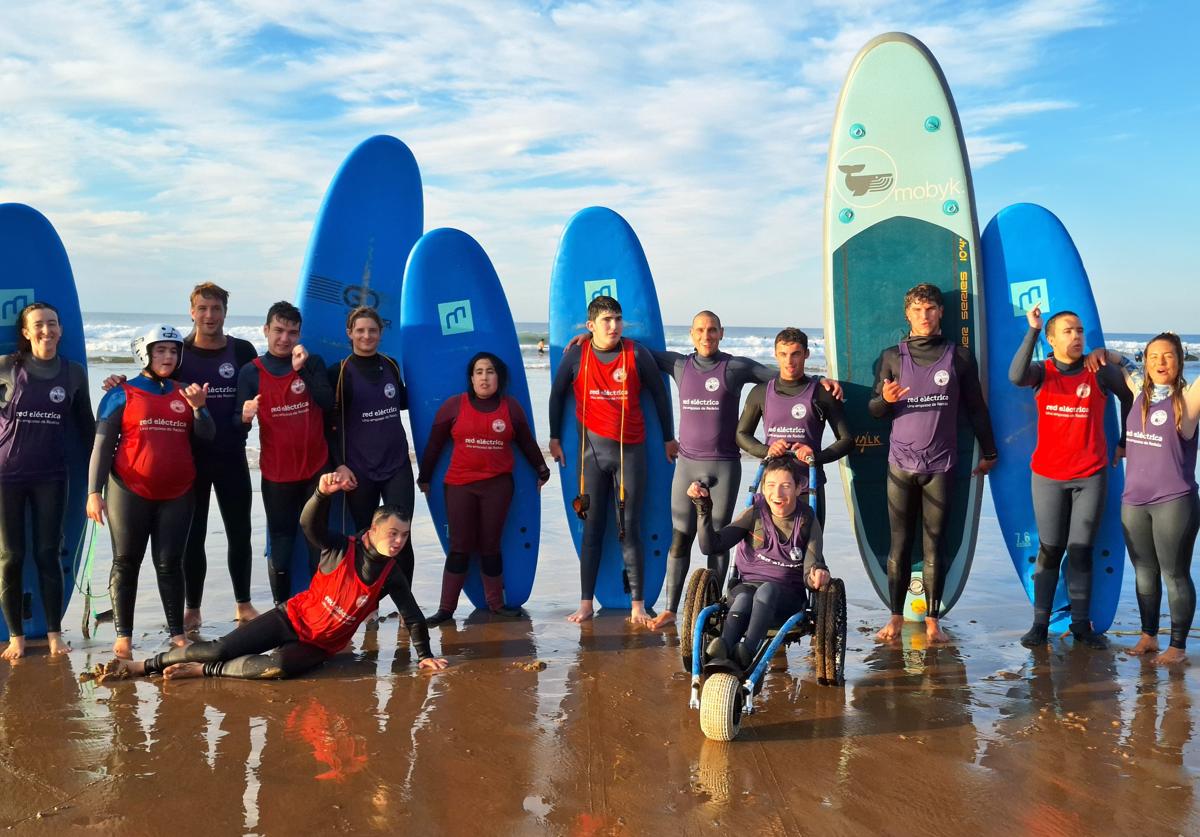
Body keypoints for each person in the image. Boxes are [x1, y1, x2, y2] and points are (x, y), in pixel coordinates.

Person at [101, 472, 448, 681]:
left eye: (404, 535)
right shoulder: (342, 546)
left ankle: (204, 672)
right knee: (217, 648)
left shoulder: (391, 574)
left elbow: (414, 617)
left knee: (275, 669)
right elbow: (308, 524)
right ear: (373, 530)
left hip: (317, 646)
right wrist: (321, 494)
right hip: (291, 619)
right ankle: (141, 666)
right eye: (393, 533)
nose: (399, 541)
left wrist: (423, 656)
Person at [102, 283, 260, 629]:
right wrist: (118, 381)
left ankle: (243, 603)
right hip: (190, 460)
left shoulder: (243, 350)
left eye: (216, 309)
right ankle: (193, 608)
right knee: (194, 537)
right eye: (202, 308)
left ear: (225, 313)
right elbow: (149, 381)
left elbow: (265, 385)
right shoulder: (179, 352)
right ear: (191, 312)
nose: (209, 315)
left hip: (233, 454)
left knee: (240, 532)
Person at [869, 283, 997, 644]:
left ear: (940, 313)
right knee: (899, 543)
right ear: (907, 315)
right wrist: (886, 400)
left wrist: (990, 452)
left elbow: (976, 408)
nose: (924, 316)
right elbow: (875, 411)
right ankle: (894, 617)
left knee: (934, 544)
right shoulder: (892, 357)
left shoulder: (960, 357)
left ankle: (932, 621)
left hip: (940, 465)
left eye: (931, 309)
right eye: (917, 310)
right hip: (900, 464)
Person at [87, 325, 214, 659]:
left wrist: (200, 408)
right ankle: (123, 636)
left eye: (173, 351)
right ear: (145, 352)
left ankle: (177, 634)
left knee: (170, 563)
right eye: (161, 350)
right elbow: (102, 445)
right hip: (129, 491)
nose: (168, 357)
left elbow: (207, 436)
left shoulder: (186, 392)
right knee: (126, 562)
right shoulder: (121, 393)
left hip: (178, 493)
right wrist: (93, 492)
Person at [1010, 303, 1132, 649]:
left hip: (1090, 475)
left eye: (1079, 331)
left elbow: (1132, 395)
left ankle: (1081, 626)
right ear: (1051, 340)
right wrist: (1032, 329)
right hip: (1048, 475)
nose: (1076, 336)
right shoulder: (1042, 371)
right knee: (1050, 549)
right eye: (1068, 331)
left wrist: (1123, 441)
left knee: (1080, 551)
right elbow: (1015, 376)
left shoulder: (1099, 372)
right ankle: (1039, 624)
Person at [548, 295, 676, 626]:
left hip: (630, 453)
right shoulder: (578, 355)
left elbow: (660, 395)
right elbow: (557, 394)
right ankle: (586, 603)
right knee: (591, 528)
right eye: (606, 320)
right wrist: (554, 438)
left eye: (618, 319)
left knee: (629, 529)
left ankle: (637, 604)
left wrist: (668, 438)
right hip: (590, 457)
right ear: (591, 326)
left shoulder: (636, 354)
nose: (614, 325)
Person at [417, 352, 551, 625]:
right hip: (459, 485)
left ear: (498, 377)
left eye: (490, 371)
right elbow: (434, 445)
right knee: (460, 547)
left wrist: (542, 469)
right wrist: (425, 478)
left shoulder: (510, 407)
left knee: (491, 545)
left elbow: (526, 442)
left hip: (498, 486)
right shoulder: (454, 406)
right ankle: (445, 610)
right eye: (479, 372)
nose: (484, 377)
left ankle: (496, 605)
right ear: (471, 378)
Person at [1091, 334, 1198, 665]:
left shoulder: (1187, 402)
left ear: (1180, 362)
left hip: (1174, 501)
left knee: (1174, 574)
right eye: (1153, 356)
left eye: (1168, 356)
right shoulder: (1138, 391)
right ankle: (1148, 637)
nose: (1160, 362)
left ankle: (1177, 647)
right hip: (1134, 501)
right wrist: (1100, 352)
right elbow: (1122, 362)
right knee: (1143, 572)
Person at [0, 303, 94, 661]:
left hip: (52, 477)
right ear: (25, 332)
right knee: (10, 556)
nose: (47, 330)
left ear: (60, 329)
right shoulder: (8, 366)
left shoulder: (72, 373)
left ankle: (54, 633)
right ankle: (16, 637)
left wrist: (99, 478)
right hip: (6, 476)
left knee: (47, 554)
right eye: (38, 325)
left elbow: (86, 429)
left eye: (52, 323)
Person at [688, 456, 829, 671]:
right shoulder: (754, 513)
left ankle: (746, 653)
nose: (778, 494)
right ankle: (723, 649)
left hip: (786, 599)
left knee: (768, 590)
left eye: (785, 486)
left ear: (799, 487)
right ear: (762, 489)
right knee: (743, 597)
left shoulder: (807, 520)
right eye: (771, 485)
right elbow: (711, 546)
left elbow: (811, 568)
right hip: (746, 589)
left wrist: (817, 574)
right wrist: (703, 508)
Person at [235, 301, 334, 606]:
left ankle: (320, 606)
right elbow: (237, 431)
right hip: (277, 474)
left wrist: (302, 370)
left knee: (316, 539)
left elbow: (328, 403)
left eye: (292, 332)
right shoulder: (251, 373)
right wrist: (245, 417)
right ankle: (282, 609)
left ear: (299, 333)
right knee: (281, 542)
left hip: (316, 470)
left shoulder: (312, 362)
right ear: (266, 330)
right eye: (278, 330)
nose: (284, 338)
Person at [327, 306, 416, 583]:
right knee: (367, 537)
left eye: (373, 330)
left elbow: (404, 401)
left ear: (381, 333)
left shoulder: (391, 365)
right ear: (349, 333)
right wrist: (340, 465)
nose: (367, 336)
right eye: (361, 330)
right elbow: (328, 427)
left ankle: (405, 608)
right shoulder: (339, 373)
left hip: (396, 464)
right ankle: (370, 606)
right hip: (359, 469)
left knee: (402, 535)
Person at [736, 326, 852, 526]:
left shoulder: (822, 393)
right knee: (769, 552)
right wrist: (767, 450)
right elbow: (741, 434)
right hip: (773, 487)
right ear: (775, 354)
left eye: (795, 354)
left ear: (806, 354)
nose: (789, 361)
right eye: (783, 354)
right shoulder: (760, 393)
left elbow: (847, 440)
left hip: (809, 484)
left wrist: (815, 457)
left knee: (810, 552)